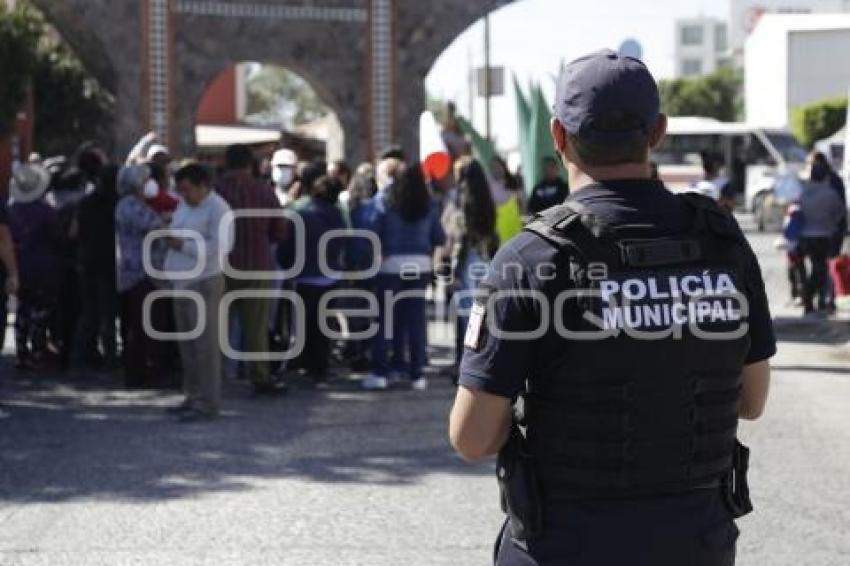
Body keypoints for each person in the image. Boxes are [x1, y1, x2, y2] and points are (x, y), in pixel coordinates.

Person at [449, 50, 775, 566]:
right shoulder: (720, 239)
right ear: (658, 132)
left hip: (568, 543)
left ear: (557, 136)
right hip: (695, 542)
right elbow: (752, 401)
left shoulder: (531, 257)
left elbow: (471, 437)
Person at [364, 165, 445, 391]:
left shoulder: (386, 200)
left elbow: (371, 230)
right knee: (415, 321)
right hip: (420, 265)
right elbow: (439, 236)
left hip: (390, 265)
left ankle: (380, 372)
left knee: (385, 320)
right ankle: (417, 374)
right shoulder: (427, 203)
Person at [215, 144, 287, 395]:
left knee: (219, 324)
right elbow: (279, 230)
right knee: (256, 326)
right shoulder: (264, 191)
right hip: (257, 265)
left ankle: (216, 375)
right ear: (250, 164)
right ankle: (260, 376)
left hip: (221, 265)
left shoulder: (216, 190)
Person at [163, 163, 233, 422]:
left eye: (188, 190)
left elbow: (221, 246)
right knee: (187, 345)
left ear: (204, 186)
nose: (184, 195)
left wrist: (183, 245)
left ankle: (208, 402)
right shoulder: (185, 205)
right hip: (181, 281)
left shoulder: (219, 209)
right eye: (180, 190)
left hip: (204, 280)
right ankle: (192, 396)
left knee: (205, 346)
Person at [279, 171, 347, 382]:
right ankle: (320, 366)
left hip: (304, 276)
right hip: (330, 275)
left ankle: (306, 363)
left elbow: (286, 246)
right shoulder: (338, 215)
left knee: (303, 324)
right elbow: (343, 242)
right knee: (323, 323)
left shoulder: (300, 214)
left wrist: (286, 265)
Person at [443, 159, 499, 372]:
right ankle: (479, 358)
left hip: (469, 260)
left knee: (465, 313)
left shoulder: (464, 197)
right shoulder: (486, 197)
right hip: (485, 258)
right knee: (481, 311)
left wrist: (455, 271)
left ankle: (466, 361)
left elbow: (463, 237)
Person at [115, 164, 166, 387]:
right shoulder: (130, 205)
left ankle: (142, 369)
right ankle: (139, 372)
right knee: (142, 325)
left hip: (140, 271)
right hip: (139, 272)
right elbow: (155, 226)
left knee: (143, 323)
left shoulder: (135, 204)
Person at [8, 164, 61, 371]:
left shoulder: (11, 209)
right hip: (43, 265)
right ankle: (38, 350)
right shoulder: (46, 211)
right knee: (41, 310)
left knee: (22, 307)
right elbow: (57, 238)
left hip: (20, 263)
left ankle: (21, 351)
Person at [73, 164, 120, 370]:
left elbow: (76, 232)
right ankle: (110, 358)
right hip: (110, 262)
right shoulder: (118, 203)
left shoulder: (85, 202)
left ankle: (81, 356)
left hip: (88, 260)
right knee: (108, 313)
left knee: (89, 312)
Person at [799, 164, 846, 315]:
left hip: (806, 236)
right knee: (822, 269)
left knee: (817, 267)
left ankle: (814, 299)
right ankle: (812, 298)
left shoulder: (803, 194)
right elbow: (840, 215)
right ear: (825, 177)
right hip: (825, 236)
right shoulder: (831, 194)